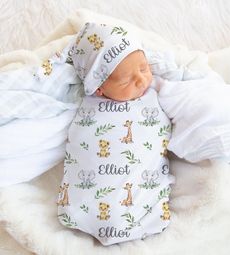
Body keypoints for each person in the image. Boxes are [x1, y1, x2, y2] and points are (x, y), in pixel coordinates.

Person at [57, 22, 175, 246]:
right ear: (98, 88)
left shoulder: (155, 89)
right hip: (92, 192)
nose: (141, 80)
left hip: (141, 196)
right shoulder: (84, 103)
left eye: (143, 68)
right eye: (125, 80)